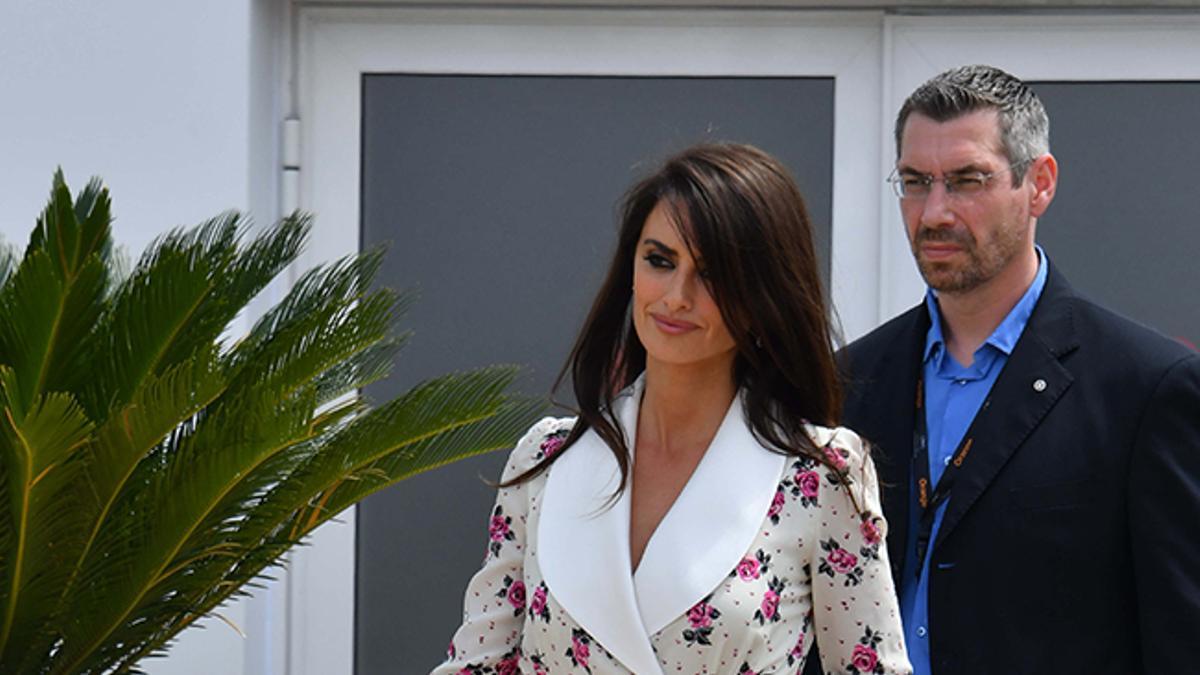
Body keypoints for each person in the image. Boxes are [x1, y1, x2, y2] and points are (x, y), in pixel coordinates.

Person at [432, 143, 911, 675]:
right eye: (660, 260)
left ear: (761, 297)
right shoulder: (544, 458)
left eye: (712, 274)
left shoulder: (822, 475)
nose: (677, 296)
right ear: (631, 271)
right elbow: (475, 665)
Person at [835, 65, 1200, 674]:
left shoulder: (1146, 389)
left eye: (967, 180)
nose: (934, 212)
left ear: (1040, 184)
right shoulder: (848, 383)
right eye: (915, 182)